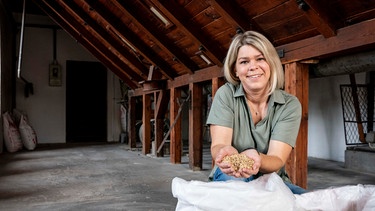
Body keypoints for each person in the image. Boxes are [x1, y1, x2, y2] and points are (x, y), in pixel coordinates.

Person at [206, 30, 306, 194]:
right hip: (230, 173)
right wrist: (225, 153)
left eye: (260, 59)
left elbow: (277, 158)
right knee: (243, 192)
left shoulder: (289, 104)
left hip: (271, 179)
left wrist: (257, 159)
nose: (253, 66)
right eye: (244, 62)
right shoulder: (226, 95)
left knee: (311, 202)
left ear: (271, 63)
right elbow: (219, 144)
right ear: (236, 70)